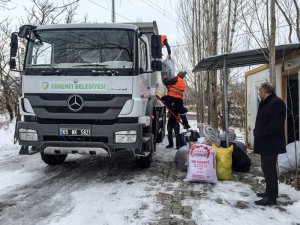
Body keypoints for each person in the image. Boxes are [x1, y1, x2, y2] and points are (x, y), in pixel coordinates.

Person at [253, 82, 286, 206]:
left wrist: (261, 132)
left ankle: (271, 198)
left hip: (271, 143)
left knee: (269, 169)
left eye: (260, 91)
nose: (259, 93)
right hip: (266, 143)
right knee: (267, 168)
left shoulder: (276, 103)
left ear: (265, 91)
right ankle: (270, 192)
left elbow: (275, 125)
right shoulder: (267, 102)